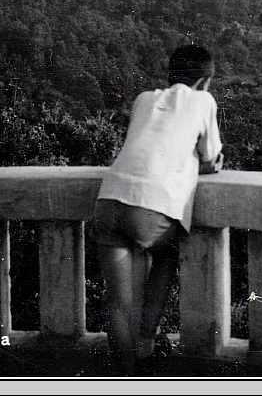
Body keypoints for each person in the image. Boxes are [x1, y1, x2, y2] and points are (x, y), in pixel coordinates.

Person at [93, 44, 223, 374]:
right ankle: (147, 341)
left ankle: (126, 374)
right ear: (205, 81)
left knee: (119, 306)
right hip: (150, 210)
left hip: (108, 202)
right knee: (167, 253)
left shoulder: (143, 99)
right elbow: (210, 156)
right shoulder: (203, 100)